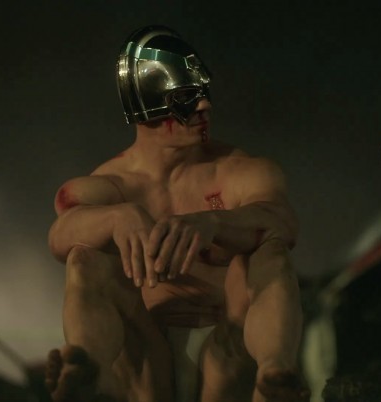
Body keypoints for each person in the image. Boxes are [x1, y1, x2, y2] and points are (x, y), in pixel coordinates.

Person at [44, 25, 309, 402]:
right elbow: (60, 237)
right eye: (186, 97)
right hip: (144, 358)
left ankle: (274, 374)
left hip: (229, 349)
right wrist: (118, 218)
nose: (205, 106)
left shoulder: (241, 172)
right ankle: (86, 367)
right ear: (146, 107)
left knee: (268, 251)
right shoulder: (111, 186)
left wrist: (213, 222)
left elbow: (282, 223)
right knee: (86, 257)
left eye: (203, 93)